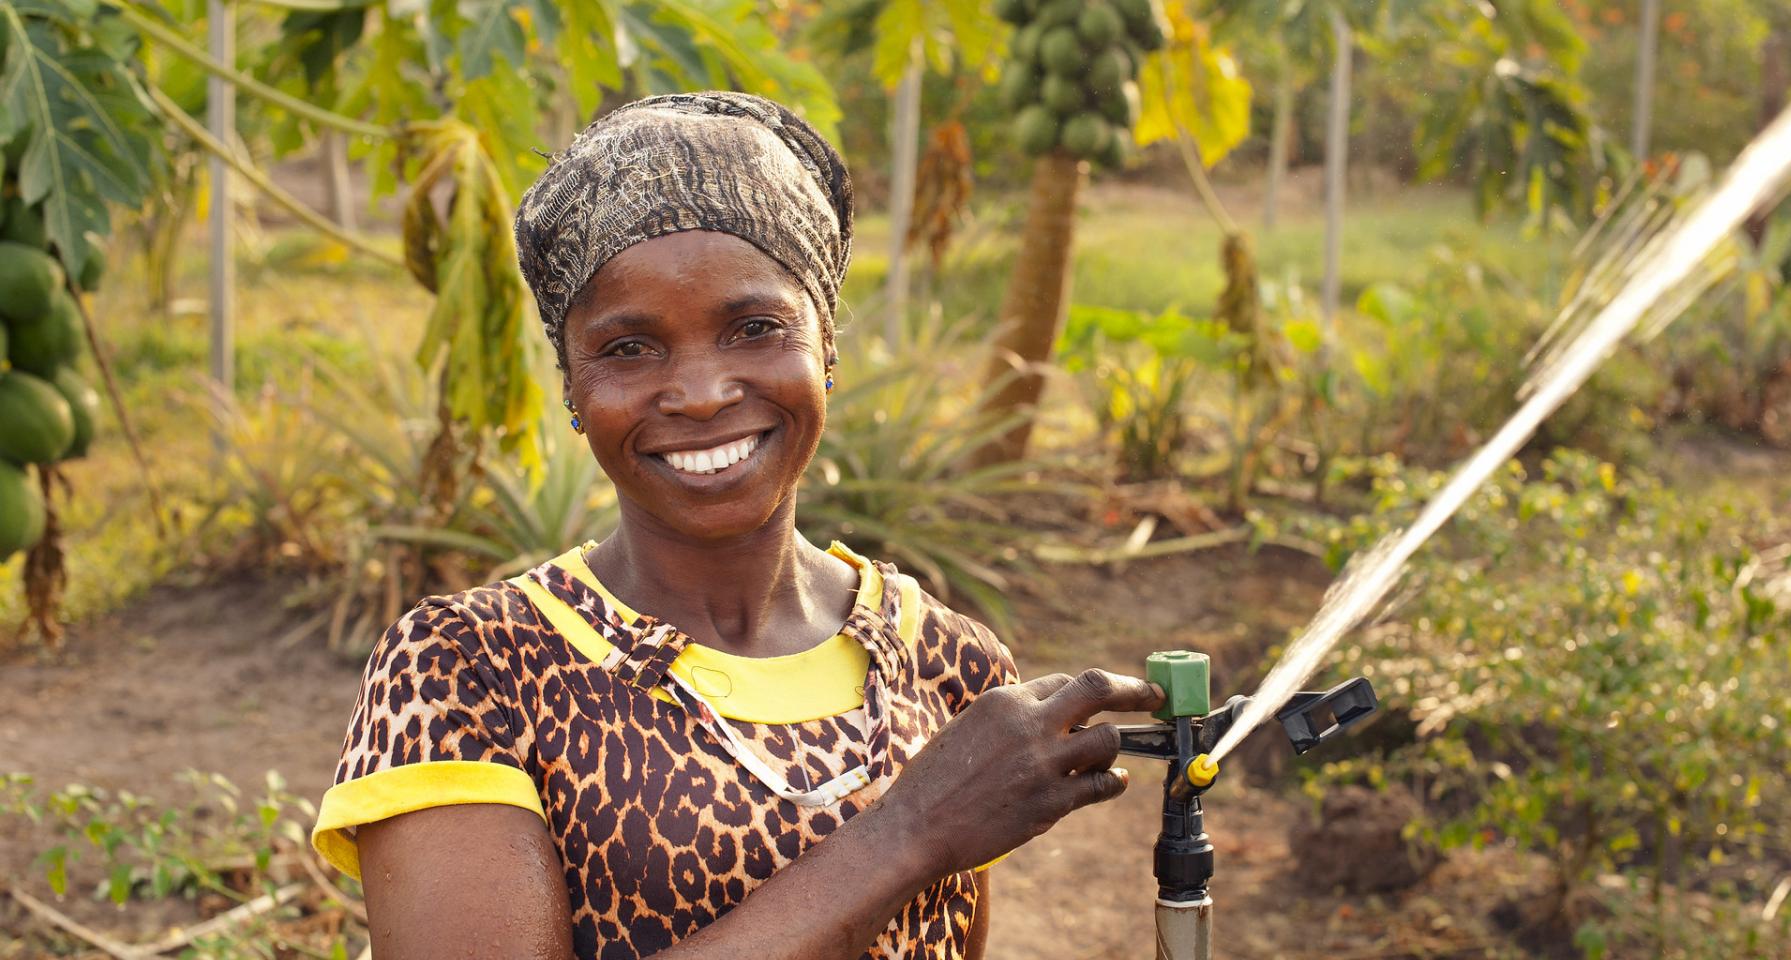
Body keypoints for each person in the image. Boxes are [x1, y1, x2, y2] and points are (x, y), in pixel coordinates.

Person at [309, 92, 1163, 960]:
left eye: (754, 329)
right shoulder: (472, 669)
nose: (703, 392)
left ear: (825, 344)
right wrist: (909, 829)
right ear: (571, 385)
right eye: (629, 348)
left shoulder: (947, 661)